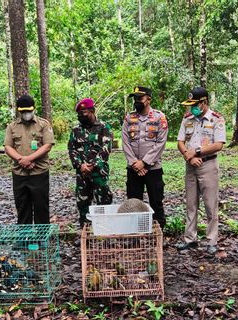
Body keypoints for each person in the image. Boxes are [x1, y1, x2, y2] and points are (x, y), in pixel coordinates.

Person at [175, 87, 226, 254]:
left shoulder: (216, 119)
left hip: (208, 165)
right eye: (190, 105)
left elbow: (218, 144)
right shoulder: (188, 119)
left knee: (211, 205)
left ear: (204, 103)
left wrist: (196, 152)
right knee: (191, 204)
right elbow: (180, 141)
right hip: (190, 165)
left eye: (195, 105)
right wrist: (189, 157)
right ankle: (190, 239)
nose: (192, 108)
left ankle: (211, 241)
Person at [121, 86, 168, 228]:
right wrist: (135, 163)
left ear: (148, 99)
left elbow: (161, 142)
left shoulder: (159, 117)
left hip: (153, 169)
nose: (136, 101)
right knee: (133, 203)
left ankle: (159, 234)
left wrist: (145, 163)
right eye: (135, 98)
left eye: (139, 98)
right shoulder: (129, 117)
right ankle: (134, 235)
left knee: (156, 202)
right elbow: (125, 141)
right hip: (133, 168)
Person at [4, 94, 55, 224]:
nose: (26, 113)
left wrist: (29, 159)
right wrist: (22, 160)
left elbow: (47, 145)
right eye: (23, 111)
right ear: (19, 111)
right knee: (22, 208)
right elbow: (8, 147)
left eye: (29, 111)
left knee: (41, 208)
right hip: (19, 173)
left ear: (33, 109)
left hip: (39, 172)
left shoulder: (43, 124)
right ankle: (24, 240)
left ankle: (41, 239)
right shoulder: (12, 126)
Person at [68, 98, 114, 228]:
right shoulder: (76, 130)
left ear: (92, 111)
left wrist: (92, 165)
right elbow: (72, 149)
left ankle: (104, 230)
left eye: (84, 112)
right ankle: (85, 231)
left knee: (103, 202)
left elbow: (106, 148)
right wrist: (80, 165)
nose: (81, 116)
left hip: (99, 173)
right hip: (82, 174)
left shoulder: (104, 127)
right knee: (83, 203)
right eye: (79, 113)